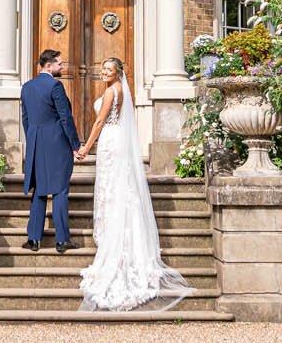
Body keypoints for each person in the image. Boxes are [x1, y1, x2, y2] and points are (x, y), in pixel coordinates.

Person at [74, 57, 190, 312]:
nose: (105, 73)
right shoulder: (122, 92)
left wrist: (85, 148)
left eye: (109, 70)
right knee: (118, 188)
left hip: (109, 142)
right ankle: (121, 234)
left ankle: (115, 239)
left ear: (118, 73)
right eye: (103, 69)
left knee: (112, 188)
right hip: (117, 142)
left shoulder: (110, 94)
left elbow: (99, 122)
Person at [19, 48, 80, 252]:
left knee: (40, 190)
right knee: (60, 189)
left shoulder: (26, 87)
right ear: (49, 66)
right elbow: (65, 117)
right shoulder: (55, 86)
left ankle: (33, 239)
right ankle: (62, 240)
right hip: (57, 142)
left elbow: (25, 119)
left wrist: (33, 139)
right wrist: (75, 145)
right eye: (59, 64)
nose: (62, 67)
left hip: (36, 142)